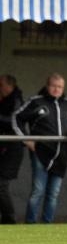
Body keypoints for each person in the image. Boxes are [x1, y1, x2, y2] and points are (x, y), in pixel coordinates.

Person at [13, 73, 67, 224]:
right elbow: (16, 118)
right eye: (54, 86)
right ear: (47, 86)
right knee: (38, 191)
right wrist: (26, 139)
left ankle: (47, 225)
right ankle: (30, 224)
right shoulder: (36, 102)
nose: (56, 89)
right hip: (40, 152)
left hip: (61, 155)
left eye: (60, 87)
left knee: (54, 193)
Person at [0, 74, 24, 224]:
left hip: (12, 148)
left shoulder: (16, 101)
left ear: (10, 86)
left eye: (1, 85)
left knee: (2, 185)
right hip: (5, 147)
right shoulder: (7, 100)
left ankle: (10, 219)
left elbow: (13, 121)